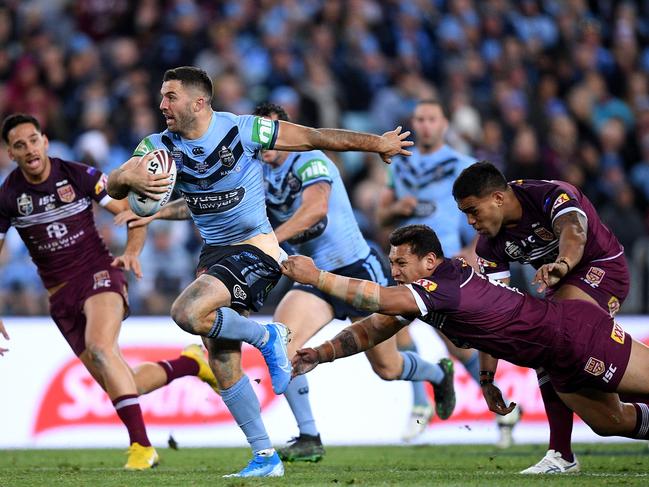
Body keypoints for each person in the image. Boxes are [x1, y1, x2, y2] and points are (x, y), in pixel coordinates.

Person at [105, 66, 412, 477]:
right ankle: (265, 456)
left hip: (257, 247)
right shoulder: (158, 146)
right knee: (222, 358)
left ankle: (268, 336)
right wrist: (127, 176)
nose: (162, 105)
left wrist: (377, 143)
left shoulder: (244, 130)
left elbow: (314, 136)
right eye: (162, 96)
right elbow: (115, 187)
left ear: (199, 102)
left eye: (170, 96)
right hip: (213, 254)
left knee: (187, 312)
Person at [283, 225, 649, 459]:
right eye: (392, 263)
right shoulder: (430, 292)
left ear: (429, 261)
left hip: (576, 336)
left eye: (401, 263)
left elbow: (378, 299)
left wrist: (316, 276)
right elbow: (372, 328)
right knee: (611, 422)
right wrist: (322, 353)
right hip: (554, 358)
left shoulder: (443, 287)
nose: (394, 272)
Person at [0, 113, 220, 470]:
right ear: (11, 152)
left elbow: (135, 212)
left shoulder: (77, 175)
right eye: (19, 145)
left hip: (99, 274)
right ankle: (191, 363)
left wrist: (131, 251)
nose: (29, 149)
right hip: (60, 297)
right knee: (122, 381)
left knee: (101, 349)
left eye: (33, 140)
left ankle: (141, 448)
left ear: (44, 140)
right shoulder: (9, 196)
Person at [255, 102, 455, 460]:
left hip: (357, 271)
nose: (266, 142)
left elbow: (315, 210)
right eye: (261, 134)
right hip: (313, 277)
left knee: (388, 368)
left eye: (272, 133)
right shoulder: (256, 172)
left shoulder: (311, 161)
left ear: (285, 135)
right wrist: (162, 210)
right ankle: (309, 436)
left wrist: (271, 242)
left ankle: (437, 375)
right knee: (279, 346)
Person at [452, 161, 629, 474]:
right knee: (607, 417)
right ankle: (563, 452)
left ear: (497, 198)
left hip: (602, 270)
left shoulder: (548, 195)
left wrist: (560, 265)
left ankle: (561, 453)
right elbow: (492, 313)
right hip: (561, 288)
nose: (470, 222)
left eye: (473, 211)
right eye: (464, 214)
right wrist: (487, 378)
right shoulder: (491, 245)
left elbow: (575, 232)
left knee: (552, 337)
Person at [377, 100, 520, 445]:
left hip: (444, 268)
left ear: (444, 125)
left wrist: (473, 252)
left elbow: (489, 220)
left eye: (431, 119)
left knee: (456, 345)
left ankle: (502, 408)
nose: (425, 125)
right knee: (392, 324)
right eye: (420, 119)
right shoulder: (399, 166)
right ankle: (419, 405)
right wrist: (396, 208)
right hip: (405, 266)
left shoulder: (463, 166)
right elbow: (380, 219)